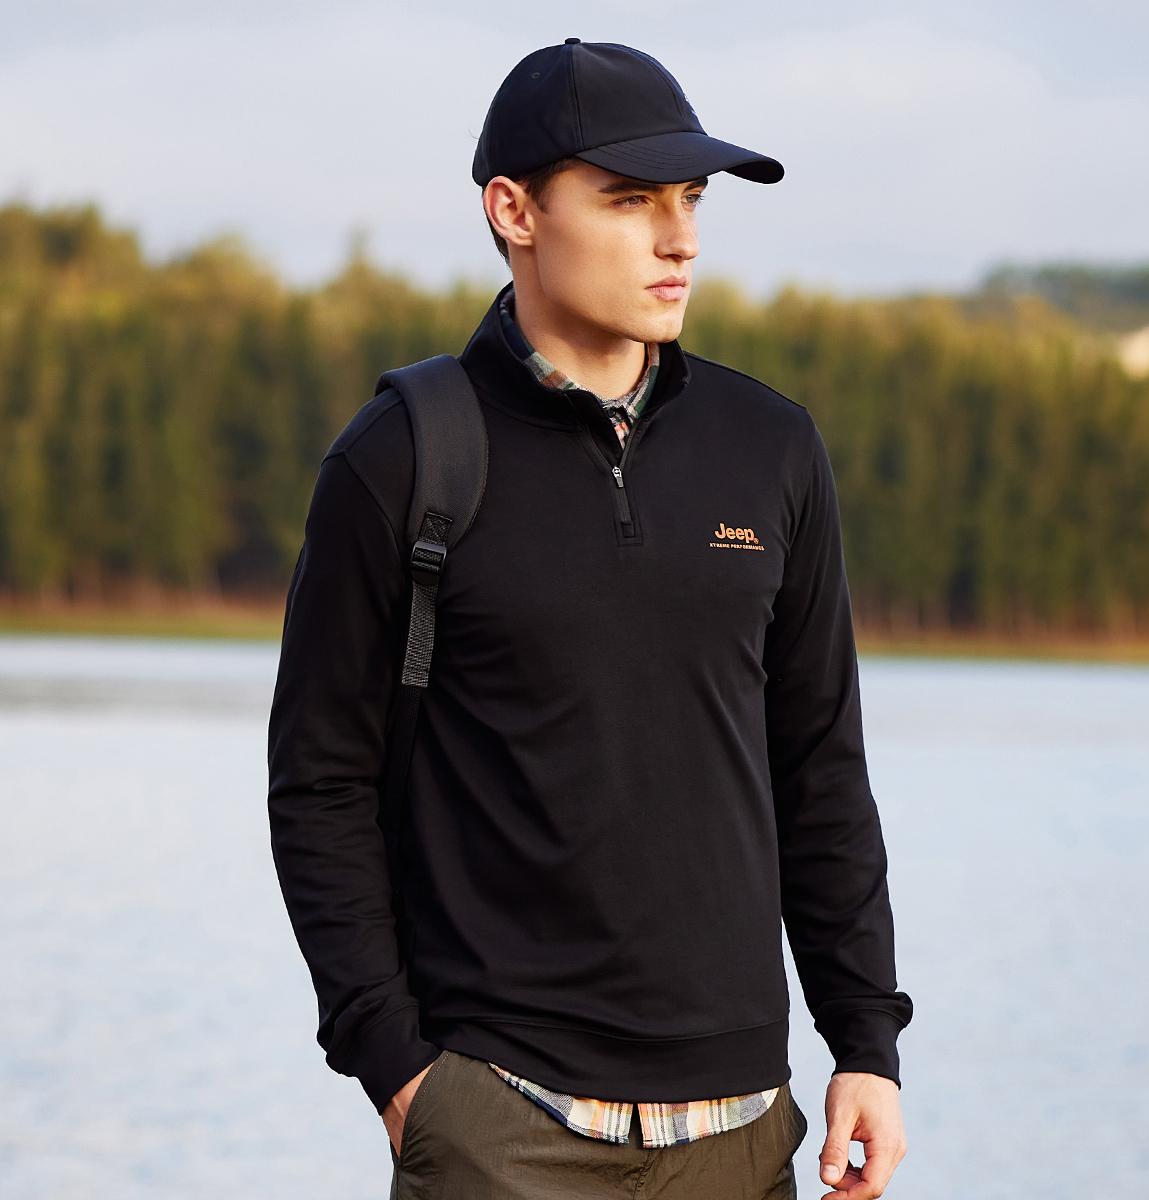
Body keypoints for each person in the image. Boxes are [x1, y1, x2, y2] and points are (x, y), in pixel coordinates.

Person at [267, 37, 914, 1200]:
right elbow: (320, 783)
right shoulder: (403, 457)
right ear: (513, 211)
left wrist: (866, 1041)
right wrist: (400, 1073)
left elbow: (821, 766)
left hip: (741, 1128)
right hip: (499, 1120)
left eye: (692, 199)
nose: (681, 239)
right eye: (629, 200)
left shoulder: (769, 447)